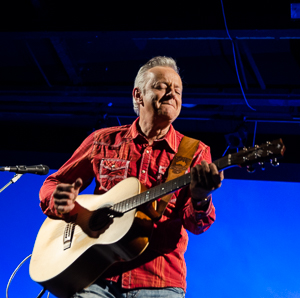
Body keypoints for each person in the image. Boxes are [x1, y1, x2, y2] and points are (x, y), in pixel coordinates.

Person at [39, 56, 224, 298]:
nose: (172, 94)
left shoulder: (195, 151)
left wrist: (200, 198)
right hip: (93, 275)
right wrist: (60, 200)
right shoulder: (102, 140)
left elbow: (198, 224)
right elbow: (53, 184)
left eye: (177, 90)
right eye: (161, 86)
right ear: (138, 95)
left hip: (159, 282)